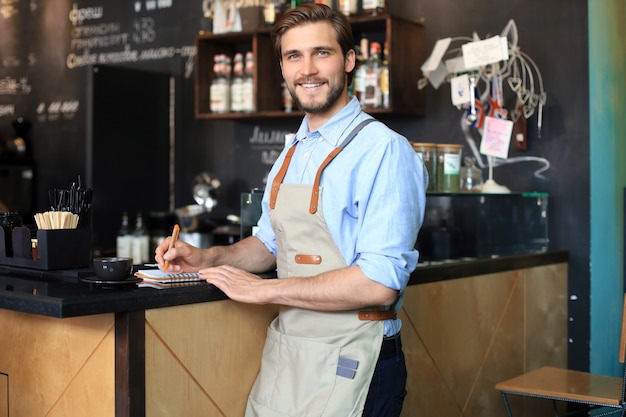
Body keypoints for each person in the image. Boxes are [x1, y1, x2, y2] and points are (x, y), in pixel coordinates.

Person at [156, 4, 426, 416]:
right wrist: (206, 257)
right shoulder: (292, 150)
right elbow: (269, 243)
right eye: (293, 56)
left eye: (322, 53)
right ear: (282, 68)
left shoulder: (385, 151)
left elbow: (379, 282)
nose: (307, 70)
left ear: (349, 60)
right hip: (292, 352)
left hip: (357, 360)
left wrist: (265, 290)